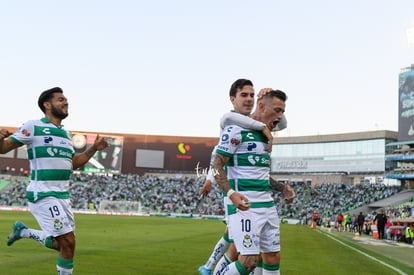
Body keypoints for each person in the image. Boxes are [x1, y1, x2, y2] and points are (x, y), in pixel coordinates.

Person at [0, 87, 109, 275]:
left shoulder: (67, 135)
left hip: (62, 196)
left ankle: (23, 231)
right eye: (61, 99)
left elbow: (73, 163)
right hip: (43, 193)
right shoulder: (33, 126)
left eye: (66, 99)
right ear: (47, 105)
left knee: (62, 245)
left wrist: (93, 149)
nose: (66, 102)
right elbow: (3, 149)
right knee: (68, 242)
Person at [198, 82, 283, 275]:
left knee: (251, 253)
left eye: (252, 95)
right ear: (232, 99)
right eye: (244, 95)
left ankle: (209, 267)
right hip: (237, 195)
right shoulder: (231, 124)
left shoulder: (255, 127)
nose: (249, 99)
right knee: (242, 252)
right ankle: (210, 266)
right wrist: (212, 181)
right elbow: (217, 160)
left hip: (258, 199)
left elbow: (280, 122)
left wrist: (269, 105)